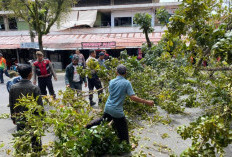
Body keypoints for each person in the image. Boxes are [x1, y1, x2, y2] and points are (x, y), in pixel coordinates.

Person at [86, 64, 154, 143]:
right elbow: (133, 98)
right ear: (125, 73)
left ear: (116, 72)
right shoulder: (126, 83)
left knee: (104, 119)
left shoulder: (111, 81)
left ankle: (88, 126)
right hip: (117, 110)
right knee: (123, 131)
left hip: (108, 107)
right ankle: (125, 146)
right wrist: (146, 102)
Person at [9, 64, 44, 152]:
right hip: (33, 120)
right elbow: (39, 106)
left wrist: (13, 117)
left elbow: (12, 104)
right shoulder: (34, 88)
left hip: (20, 118)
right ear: (30, 74)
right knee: (36, 143)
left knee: (21, 142)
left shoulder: (13, 88)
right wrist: (42, 118)